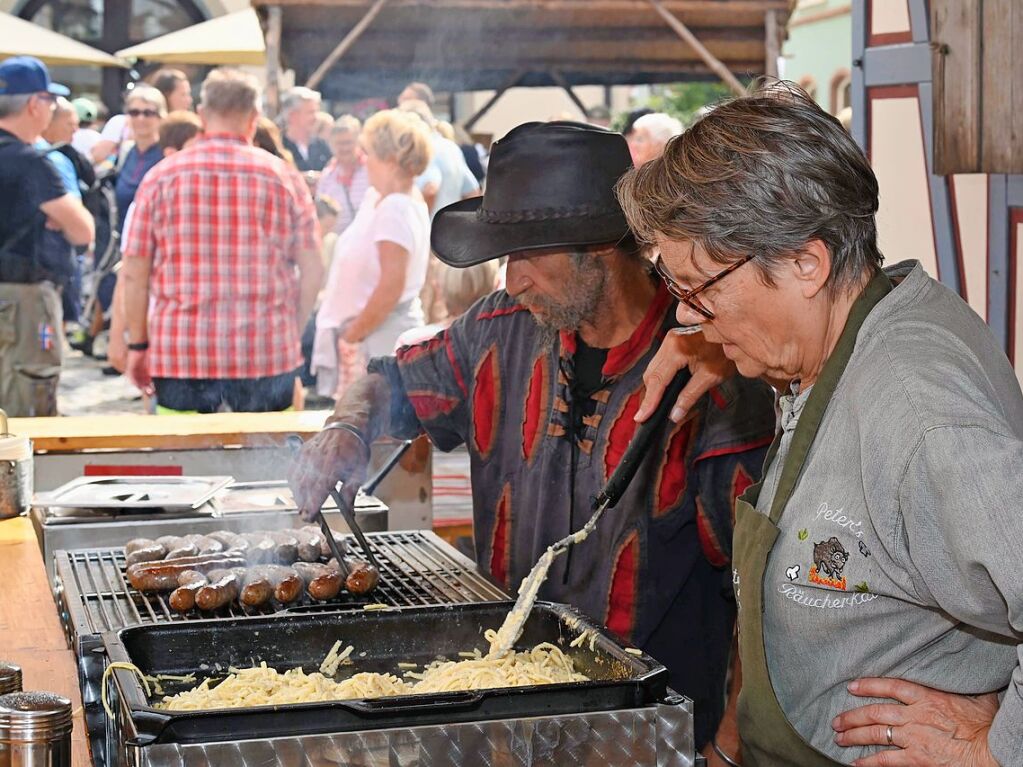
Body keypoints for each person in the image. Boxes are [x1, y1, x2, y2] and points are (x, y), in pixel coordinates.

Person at [290, 121, 778, 751]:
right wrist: (347, 428)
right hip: (504, 715)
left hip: (649, 730)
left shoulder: (712, 370)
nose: (511, 279)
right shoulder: (496, 330)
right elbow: (388, 383)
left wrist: (728, 751)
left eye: (527, 255)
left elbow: (762, 599)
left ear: (600, 249)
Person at [618, 82, 1023, 766]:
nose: (685, 318)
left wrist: (995, 748)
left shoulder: (919, 408)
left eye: (700, 289)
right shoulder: (835, 335)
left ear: (806, 263)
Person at [121, 68, 324, 414]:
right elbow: (313, 268)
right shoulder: (284, 177)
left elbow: (134, 273)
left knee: (188, 462)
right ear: (253, 118)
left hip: (182, 353)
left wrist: (138, 344)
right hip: (264, 352)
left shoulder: (161, 177)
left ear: (202, 116)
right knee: (268, 464)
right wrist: (291, 327)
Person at [311, 109, 432, 399]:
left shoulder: (396, 207)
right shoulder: (383, 199)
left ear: (389, 160)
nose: (365, 163)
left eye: (370, 155)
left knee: (380, 435)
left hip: (378, 341)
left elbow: (392, 284)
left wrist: (354, 332)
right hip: (374, 337)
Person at [0, 56, 94, 416]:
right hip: (23, 297)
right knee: (28, 404)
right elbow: (82, 228)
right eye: (50, 101)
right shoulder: (31, 162)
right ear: (33, 105)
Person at [108, 110, 203, 376]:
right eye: (196, 148)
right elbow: (128, 273)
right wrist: (120, 337)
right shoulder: (150, 199)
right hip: (161, 333)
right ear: (172, 152)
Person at [91, 69, 191, 165]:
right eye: (183, 94)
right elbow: (97, 156)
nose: (140, 118)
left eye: (148, 113)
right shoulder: (122, 125)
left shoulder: (186, 129)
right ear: (167, 95)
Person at [399, 98, 479, 217]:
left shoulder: (425, 149)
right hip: (450, 229)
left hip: (431, 231)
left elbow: (430, 189)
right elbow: (473, 192)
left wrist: (421, 222)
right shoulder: (451, 147)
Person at [114, 85, 166, 234]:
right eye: (134, 112)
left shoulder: (167, 155)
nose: (140, 118)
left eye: (148, 113)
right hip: (123, 241)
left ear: (161, 117)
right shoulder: (125, 152)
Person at [316, 115, 370, 234]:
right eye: (339, 143)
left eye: (348, 142)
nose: (344, 148)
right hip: (338, 246)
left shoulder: (372, 170)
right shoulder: (328, 176)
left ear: (358, 142)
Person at [279, 86, 332, 173]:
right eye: (310, 112)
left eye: (316, 112)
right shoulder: (279, 147)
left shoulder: (323, 146)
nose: (315, 117)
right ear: (293, 116)